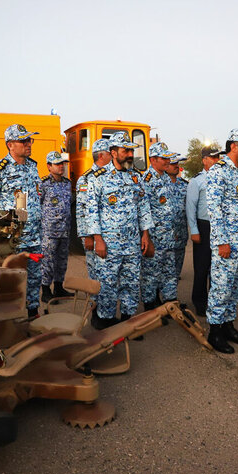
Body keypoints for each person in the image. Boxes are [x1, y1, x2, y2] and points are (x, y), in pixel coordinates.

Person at [84, 132, 154, 329]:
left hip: (132, 242)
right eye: (126, 151)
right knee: (107, 283)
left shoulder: (135, 177)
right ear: (113, 152)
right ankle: (105, 322)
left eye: (131, 150)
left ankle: (128, 322)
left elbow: (143, 206)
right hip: (109, 242)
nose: (130, 154)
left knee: (131, 282)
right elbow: (92, 211)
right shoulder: (98, 178)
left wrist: (145, 234)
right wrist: (98, 239)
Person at [205, 128, 238, 354]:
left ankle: (228, 326)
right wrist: (221, 241)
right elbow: (214, 210)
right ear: (234, 146)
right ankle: (214, 332)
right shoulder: (218, 172)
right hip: (226, 244)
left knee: (235, 288)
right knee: (221, 288)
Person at [0, 124, 42, 316]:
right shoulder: (0, 169)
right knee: (13, 279)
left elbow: (31, 198)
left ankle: (32, 313)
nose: (28, 144)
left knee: (34, 278)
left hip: (34, 236)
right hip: (13, 238)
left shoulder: (33, 166)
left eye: (29, 140)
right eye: (23, 141)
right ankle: (12, 317)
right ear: (10, 145)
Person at [141, 142, 180, 310]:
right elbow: (143, 211)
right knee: (151, 275)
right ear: (153, 160)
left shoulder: (166, 178)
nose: (167, 161)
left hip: (169, 237)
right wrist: (146, 238)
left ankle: (170, 305)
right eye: (164, 158)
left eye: (168, 157)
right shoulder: (146, 180)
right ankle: (150, 310)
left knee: (170, 273)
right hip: (155, 239)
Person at [186, 146, 222, 316]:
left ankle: (214, 300)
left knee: (217, 267)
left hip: (219, 226)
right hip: (204, 226)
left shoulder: (222, 178)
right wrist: (194, 230)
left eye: (217, 158)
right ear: (204, 160)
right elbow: (190, 207)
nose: (216, 161)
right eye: (212, 158)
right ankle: (199, 302)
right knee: (202, 267)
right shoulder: (197, 181)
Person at [76, 138, 113, 282]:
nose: (112, 156)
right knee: (95, 273)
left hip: (109, 233)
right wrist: (87, 236)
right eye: (110, 153)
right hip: (93, 236)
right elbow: (82, 209)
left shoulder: (111, 175)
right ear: (101, 156)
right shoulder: (86, 178)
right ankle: (94, 302)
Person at [40, 150, 72, 303]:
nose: (61, 167)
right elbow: (37, 206)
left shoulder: (67, 184)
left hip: (65, 231)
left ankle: (58, 288)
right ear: (49, 166)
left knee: (62, 261)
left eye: (62, 164)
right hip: (49, 231)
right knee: (48, 261)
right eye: (57, 164)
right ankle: (45, 290)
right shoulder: (43, 184)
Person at [166, 155, 189, 280]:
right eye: (173, 164)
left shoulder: (185, 185)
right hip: (165, 237)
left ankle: (173, 298)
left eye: (177, 163)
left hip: (181, 234)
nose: (176, 166)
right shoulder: (160, 184)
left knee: (177, 270)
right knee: (163, 272)